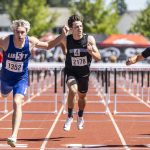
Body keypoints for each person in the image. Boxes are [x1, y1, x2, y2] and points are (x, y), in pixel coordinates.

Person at [0, 19, 68, 147]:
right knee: (3, 95)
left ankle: (14, 135)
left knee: (17, 102)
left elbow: (48, 46)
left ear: (26, 32)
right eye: (17, 32)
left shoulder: (31, 42)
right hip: (4, 78)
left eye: (22, 32)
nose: (20, 35)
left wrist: (62, 35)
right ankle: (3, 93)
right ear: (13, 32)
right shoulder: (5, 41)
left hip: (21, 79)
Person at [60, 14, 101, 131]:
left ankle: (80, 116)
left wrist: (91, 52)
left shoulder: (89, 39)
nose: (80, 29)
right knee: (72, 90)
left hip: (84, 73)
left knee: (82, 97)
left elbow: (98, 57)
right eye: (77, 27)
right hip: (71, 70)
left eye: (81, 26)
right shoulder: (66, 39)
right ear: (71, 29)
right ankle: (69, 117)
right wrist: (63, 38)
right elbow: (64, 50)